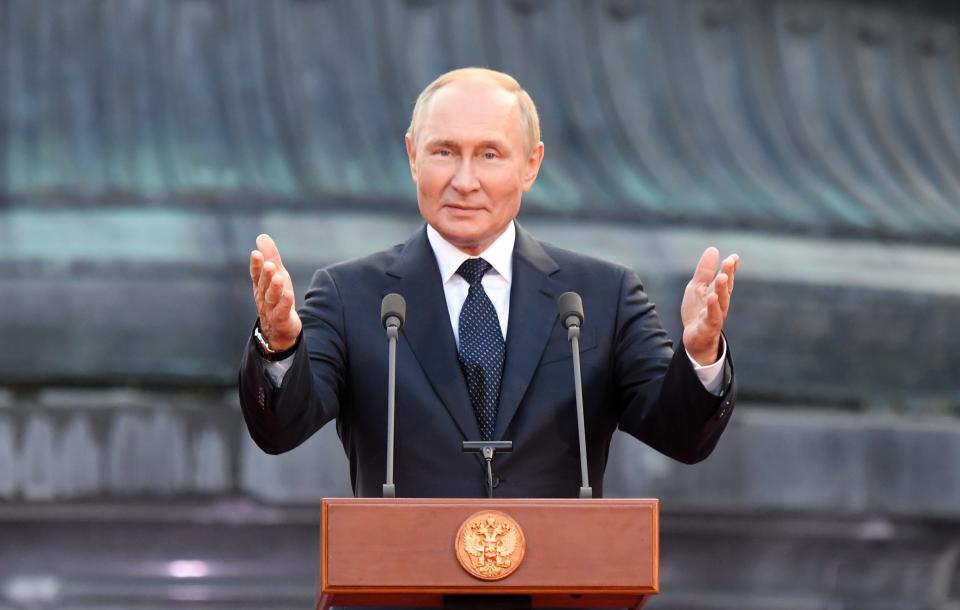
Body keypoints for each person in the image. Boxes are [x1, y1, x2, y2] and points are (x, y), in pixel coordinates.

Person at [239, 68, 739, 498]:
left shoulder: (602, 297)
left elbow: (682, 436)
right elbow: (282, 429)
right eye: (444, 152)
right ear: (413, 157)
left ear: (531, 165)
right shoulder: (351, 296)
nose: (464, 179)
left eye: (490, 155)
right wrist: (281, 347)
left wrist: (700, 355)